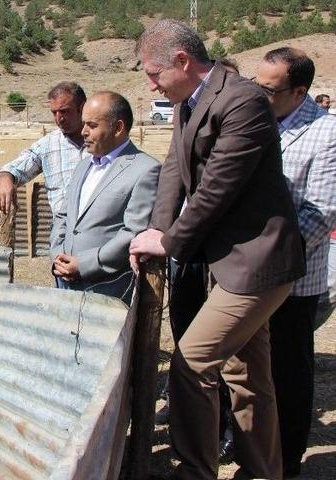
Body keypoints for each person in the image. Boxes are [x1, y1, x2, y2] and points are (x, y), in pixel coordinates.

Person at [130, 19, 306, 479]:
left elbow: (216, 189)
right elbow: (174, 171)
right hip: (230, 262)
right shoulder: (191, 101)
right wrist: (156, 228)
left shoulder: (242, 100)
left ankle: (195, 471)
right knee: (247, 378)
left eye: (153, 74)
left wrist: (168, 242)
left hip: (258, 262)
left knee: (191, 363)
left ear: (183, 62)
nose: (150, 84)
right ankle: (264, 472)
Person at [256, 47, 336, 477]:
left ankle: (286, 463)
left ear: (299, 91)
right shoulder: (257, 121)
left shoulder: (327, 134)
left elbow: (319, 216)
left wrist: (259, 255)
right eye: (257, 85)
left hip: (292, 280)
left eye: (269, 90)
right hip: (249, 274)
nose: (259, 96)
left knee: (288, 374)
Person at [50, 91, 160, 302]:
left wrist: (84, 264)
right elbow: (63, 216)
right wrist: (57, 256)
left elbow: (133, 233)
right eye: (83, 124)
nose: (83, 132)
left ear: (118, 128)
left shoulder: (146, 170)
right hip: (64, 282)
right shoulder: (83, 166)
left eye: (91, 126)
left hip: (107, 289)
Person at [0, 81, 88, 233]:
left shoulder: (105, 142)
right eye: (54, 112)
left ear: (82, 108)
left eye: (64, 111)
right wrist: (5, 181)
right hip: (63, 235)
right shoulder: (47, 145)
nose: (59, 118)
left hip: (100, 237)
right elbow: (13, 169)